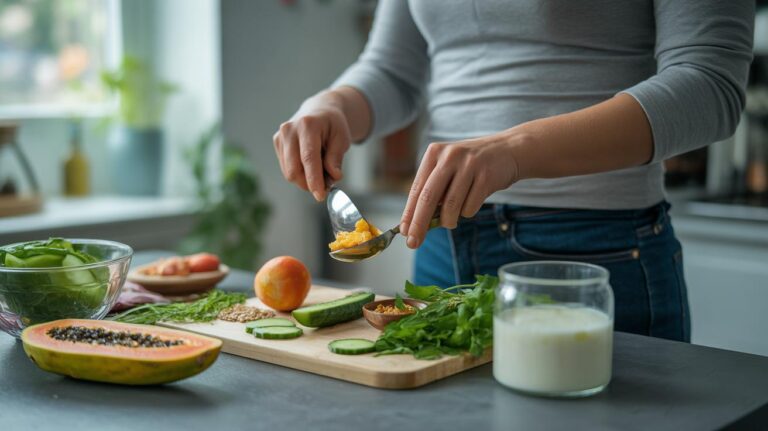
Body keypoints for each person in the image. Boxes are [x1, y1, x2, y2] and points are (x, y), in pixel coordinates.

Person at [272, 0, 754, 342]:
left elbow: (709, 86)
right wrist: (332, 105)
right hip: (442, 244)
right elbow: (393, 70)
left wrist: (513, 149)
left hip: (594, 249)